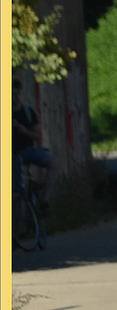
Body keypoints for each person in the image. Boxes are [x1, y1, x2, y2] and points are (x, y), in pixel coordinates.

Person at [12, 78, 57, 215]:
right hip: (12, 156)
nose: (14, 98)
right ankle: (13, 232)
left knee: (52, 163)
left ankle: (44, 201)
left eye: (16, 94)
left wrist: (24, 130)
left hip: (28, 150)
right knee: (15, 194)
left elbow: (38, 136)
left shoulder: (28, 112)